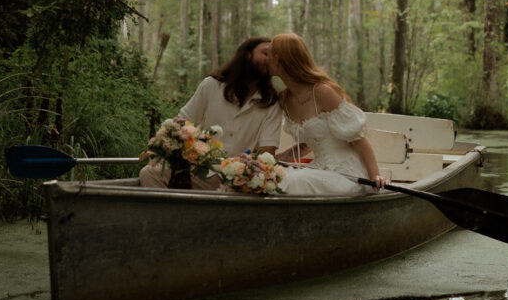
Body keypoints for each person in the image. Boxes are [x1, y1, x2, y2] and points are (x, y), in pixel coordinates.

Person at [139, 36, 283, 189]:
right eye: (266, 53)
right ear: (247, 55)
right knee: (149, 173)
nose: (270, 60)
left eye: (274, 57)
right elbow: (182, 121)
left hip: (238, 178)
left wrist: (250, 174)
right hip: (200, 170)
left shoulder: (271, 102)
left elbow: (267, 152)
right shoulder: (212, 85)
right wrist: (158, 149)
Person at [269, 32, 386, 196]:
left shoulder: (322, 92)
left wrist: (375, 176)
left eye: (268, 54)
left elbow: (359, 140)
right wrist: (269, 162)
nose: (265, 59)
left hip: (346, 173)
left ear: (278, 59)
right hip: (318, 170)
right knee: (272, 178)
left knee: (294, 181)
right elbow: (307, 145)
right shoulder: (285, 99)